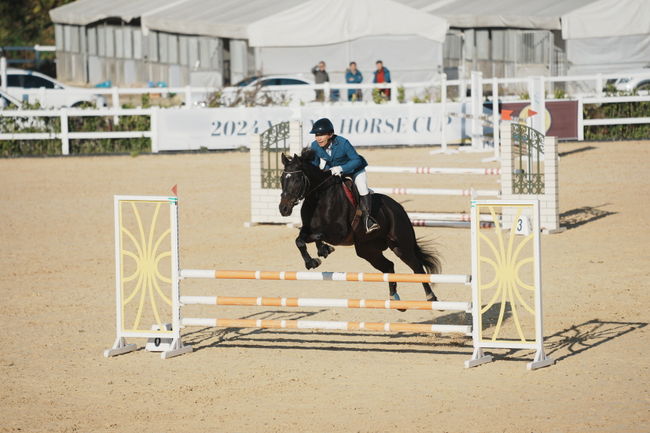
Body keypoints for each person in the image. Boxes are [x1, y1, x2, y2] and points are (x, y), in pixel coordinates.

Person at [308, 118, 379, 234]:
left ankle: (368, 220)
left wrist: (341, 168)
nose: (318, 138)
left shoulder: (343, 143)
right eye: (316, 135)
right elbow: (314, 164)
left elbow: (356, 160)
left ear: (330, 134)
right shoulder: (315, 146)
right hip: (334, 171)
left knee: (362, 187)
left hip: (355, 169)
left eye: (321, 135)